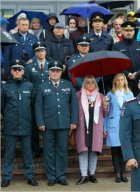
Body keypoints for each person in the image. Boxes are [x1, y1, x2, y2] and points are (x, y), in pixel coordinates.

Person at [35, 60, 78, 186]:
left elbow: (74, 105)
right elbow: (38, 106)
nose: (55, 73)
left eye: (57, 71)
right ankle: (51, 176)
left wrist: (73, 121)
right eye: (52, 71)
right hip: (48, 124)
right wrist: (40, 122)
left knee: (62, 150)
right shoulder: (42, 86)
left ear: (61, 72)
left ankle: (60, 175)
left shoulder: (68, 85)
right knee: (49, 150)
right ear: (49, 72)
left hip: (64, 123)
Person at [1, 59, 38, 188]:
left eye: (19, 69)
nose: (17, 71)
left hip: (26, 124)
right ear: (11, 71)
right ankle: (6, 177)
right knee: (9, 153)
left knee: (28, 152)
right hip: (10, 124)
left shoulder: (29, 86)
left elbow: (33, 105)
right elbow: (2, 107)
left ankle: (30, 176)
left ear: (23, 71)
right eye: (15, 69)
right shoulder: (4, 87)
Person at [75, 76, 109, 185]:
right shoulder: (78, 95)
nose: (90, 84)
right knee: (83, 151)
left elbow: (105, 113)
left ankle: (92, 174)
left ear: (95, 84)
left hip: (95, 127)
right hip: (82, 126)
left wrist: (105, 105)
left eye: (92, 82)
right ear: (84, 84)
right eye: (88, 82)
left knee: (94, 151)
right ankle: (84, 175)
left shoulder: (101, 96)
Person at [104, 73, 134, 183]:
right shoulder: (110, 94)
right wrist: (104, 127)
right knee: (115, 150)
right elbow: (105, 113)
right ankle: (117, 173)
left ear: (125, 81)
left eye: (122, 79)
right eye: (118, 80)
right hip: (113, 124)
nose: (120, 82)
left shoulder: (130, 94)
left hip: (126, 124)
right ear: (115, 82)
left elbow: (133, 110)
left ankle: (123, 173)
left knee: (124, 149)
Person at [24, 41, 50, 158]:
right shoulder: (29, 66)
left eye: (42, 50)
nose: (40, 53)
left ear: (45, 51)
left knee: (49, 125)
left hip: (49, 99)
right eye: (38, 51)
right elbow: (27, 83)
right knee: (34, 126)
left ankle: (48, 149)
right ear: (35, 53)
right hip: (34, 100)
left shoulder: (51, 65)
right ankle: (35, 149)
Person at [112, 21, 140, 95]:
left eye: (131, 30)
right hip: (123, 80)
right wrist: (126, 74)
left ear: (134, 32)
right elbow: (115, 63)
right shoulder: (117, 46)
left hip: (139, 79)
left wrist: (138, 73)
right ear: (122, 31)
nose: (129, 33)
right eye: (126, 30)